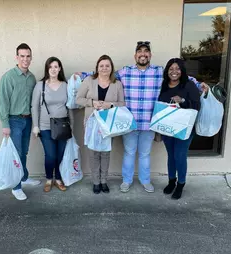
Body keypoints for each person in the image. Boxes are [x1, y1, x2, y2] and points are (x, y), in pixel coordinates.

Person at [79, 41, 208, 194]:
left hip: (148, 123)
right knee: (129, 153)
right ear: (135, 55)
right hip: (130, 124)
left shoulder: (159, 72)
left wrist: (199, 85)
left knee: (145, 154)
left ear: (150, 55)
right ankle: (126, 181)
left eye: (146, 51)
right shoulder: (125, 72)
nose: (143, 54)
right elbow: (105, 74)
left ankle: (145, 180)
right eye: (139, 51)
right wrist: (82, 75)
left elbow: (182, 77)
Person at [76, 55, 125, 194]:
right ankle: (96, 181)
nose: (104, 68)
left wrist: (109, 105)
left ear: (111, 68)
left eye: (107, 66)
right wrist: (92, 103)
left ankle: (104, 181)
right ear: (97, 67)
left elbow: (122, 104)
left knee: (105, 153)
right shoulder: (89, 81)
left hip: (109, 124)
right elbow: (78, 99)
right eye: (101, 65)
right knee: (93, 153)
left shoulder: (117, 84)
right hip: (92, 122)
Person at [0, 43, 40, 201]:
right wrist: (5, 124)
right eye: (22, 56)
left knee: (24, 151)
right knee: (16, 155)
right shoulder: (8, 77)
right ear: (16, 57)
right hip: (14, 121)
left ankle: (23, 177)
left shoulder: (31, 78)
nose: (25, 59)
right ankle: (16, 187)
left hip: (27, 120)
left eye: (28, 56)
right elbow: (3, 102)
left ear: (31, 58)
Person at [158, 58, 201, 199]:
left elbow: (196, 106)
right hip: (168, 128)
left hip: (184, 129)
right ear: (167, 71)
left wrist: (182, 101)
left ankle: (181, 184)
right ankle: (171, 181)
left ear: (182, 71)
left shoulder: (188, 85)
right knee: (171, 156)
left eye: (177, 69)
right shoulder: (164, 85)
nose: (174, 72)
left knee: (180, 156)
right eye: (171, 69)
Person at [31, 57, 72, 192]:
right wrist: (35, 126)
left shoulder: (66, 85)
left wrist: (72, 125)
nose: (53, 69)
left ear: (60, 68)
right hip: (45, 126)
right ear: (47, 69)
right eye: (51, 67)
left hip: (62, 126)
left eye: (56, 66)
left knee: (60, 155)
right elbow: (34, 106)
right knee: (51, 155)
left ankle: (58, 178)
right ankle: (49, 178)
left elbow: (70, 106)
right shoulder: (40, 85)